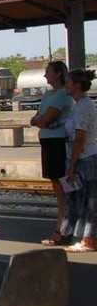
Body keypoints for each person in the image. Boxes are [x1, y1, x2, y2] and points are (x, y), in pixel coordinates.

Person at [30, 61, 73, 244]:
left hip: (58, 143)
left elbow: (45, 118)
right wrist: (40, 119)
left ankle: (62, 228)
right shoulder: (49, 94)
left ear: (57, 74)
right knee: (57, 185)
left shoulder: (63, 94)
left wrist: (41, 120)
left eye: (48, 72)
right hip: (49, 143)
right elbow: (36, 118)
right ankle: (65, 226)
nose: (45, 75)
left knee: (63, 186)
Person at [60, 68, 97, 253]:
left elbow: (80, 137)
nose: (66, 86)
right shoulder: (81, 104)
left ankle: (87, 240)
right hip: (82, 158)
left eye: (68, 83)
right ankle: (86, 238)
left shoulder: (83, 106)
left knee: (86, 199)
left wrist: (72, 164)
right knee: (82, 198)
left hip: (84, 159)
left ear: (76, 85)